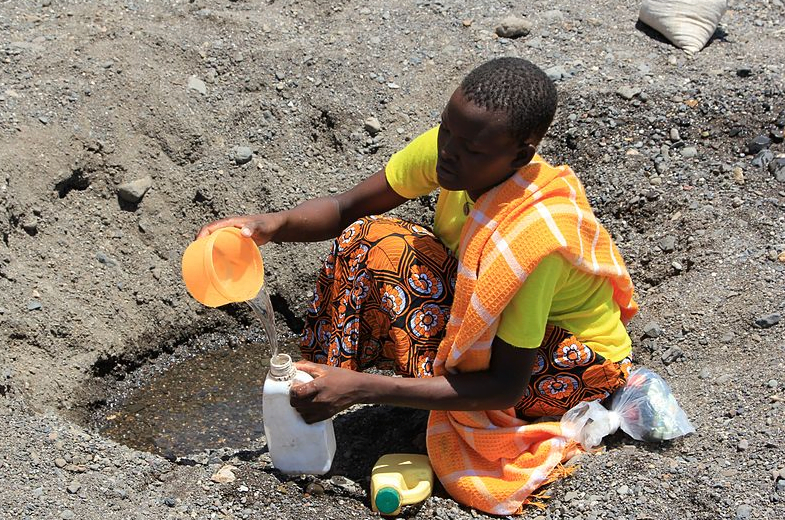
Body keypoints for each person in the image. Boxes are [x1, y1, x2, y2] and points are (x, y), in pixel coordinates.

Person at [197, 57, 638, 515]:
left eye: (471, 149)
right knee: (370, 241)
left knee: (389, 255)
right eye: (446, 130)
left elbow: (505, 385)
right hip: (505, 344)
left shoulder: (535, 241)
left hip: (569, 371)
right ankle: (320, 396)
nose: (448, 151)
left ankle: (347, 391)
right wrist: (267, 225)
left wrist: (365, 388)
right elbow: (346, 207)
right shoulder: (456, 153)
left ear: (520, 157)